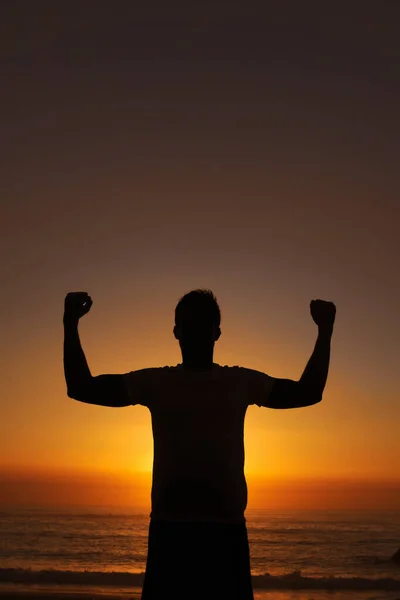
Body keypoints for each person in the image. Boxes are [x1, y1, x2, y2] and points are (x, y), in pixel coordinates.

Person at [63, 288, 336, 599]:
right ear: (177, 332)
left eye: (202, 325)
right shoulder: (157, 382)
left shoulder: (239, 382)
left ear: (216, 333)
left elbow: (308, 393)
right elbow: (81, 388)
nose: (195, 332)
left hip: (224, 532)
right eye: (190, 325)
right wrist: (70, 324)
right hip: (172, 531)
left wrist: (325, 331)